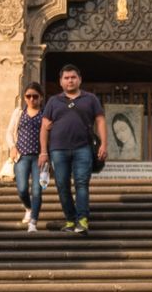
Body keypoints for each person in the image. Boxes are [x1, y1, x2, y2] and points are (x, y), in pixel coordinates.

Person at [42, 64, 106, 234]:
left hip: (82, 148)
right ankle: (70, 220)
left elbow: (100, 121)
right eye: (66, 78)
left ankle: (82, 220)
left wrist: (104, 144)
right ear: (61, 81)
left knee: (81, 183)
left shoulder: (90, 99)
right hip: (58, 150)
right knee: (62, 185)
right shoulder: (53, 101)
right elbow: (43, 127)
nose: (70, 80)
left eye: (73, 77)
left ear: (79, 80)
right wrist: (43, 152)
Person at [6, 83, 49, 232]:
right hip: (22, 156)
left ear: (41, 98)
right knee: (22, 189)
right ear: (24, 98)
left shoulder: (45, 114)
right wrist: (12, 146)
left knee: (37, 190)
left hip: (39, 158)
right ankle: (29, 208)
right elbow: (9, 132)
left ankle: (33, 222)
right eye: (28, 96)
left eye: (35, 96)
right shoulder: (19, 113)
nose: (31, 99)